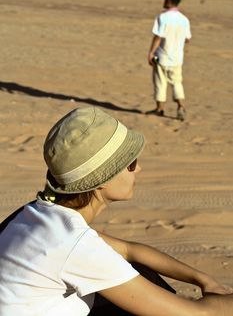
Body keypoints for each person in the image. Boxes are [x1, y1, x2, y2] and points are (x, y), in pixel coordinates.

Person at [0, 106, 233, 316]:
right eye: (130, 163)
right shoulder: (74, 245)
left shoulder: (35, 213)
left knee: (138, 272)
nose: (138, 168)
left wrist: (202, 279)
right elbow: (201, 314)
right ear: (102, 179)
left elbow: (129, 250)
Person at [147, 0, 191, 121]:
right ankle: (181, 106)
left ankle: (160, 109)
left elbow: (158, 37)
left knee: (160, 83)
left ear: (169, 1)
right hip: (177, 58)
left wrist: (150, 52)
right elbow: (188, 39)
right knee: (177, 82)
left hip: (162, 56)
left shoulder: (163, 17)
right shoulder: (184, 19)